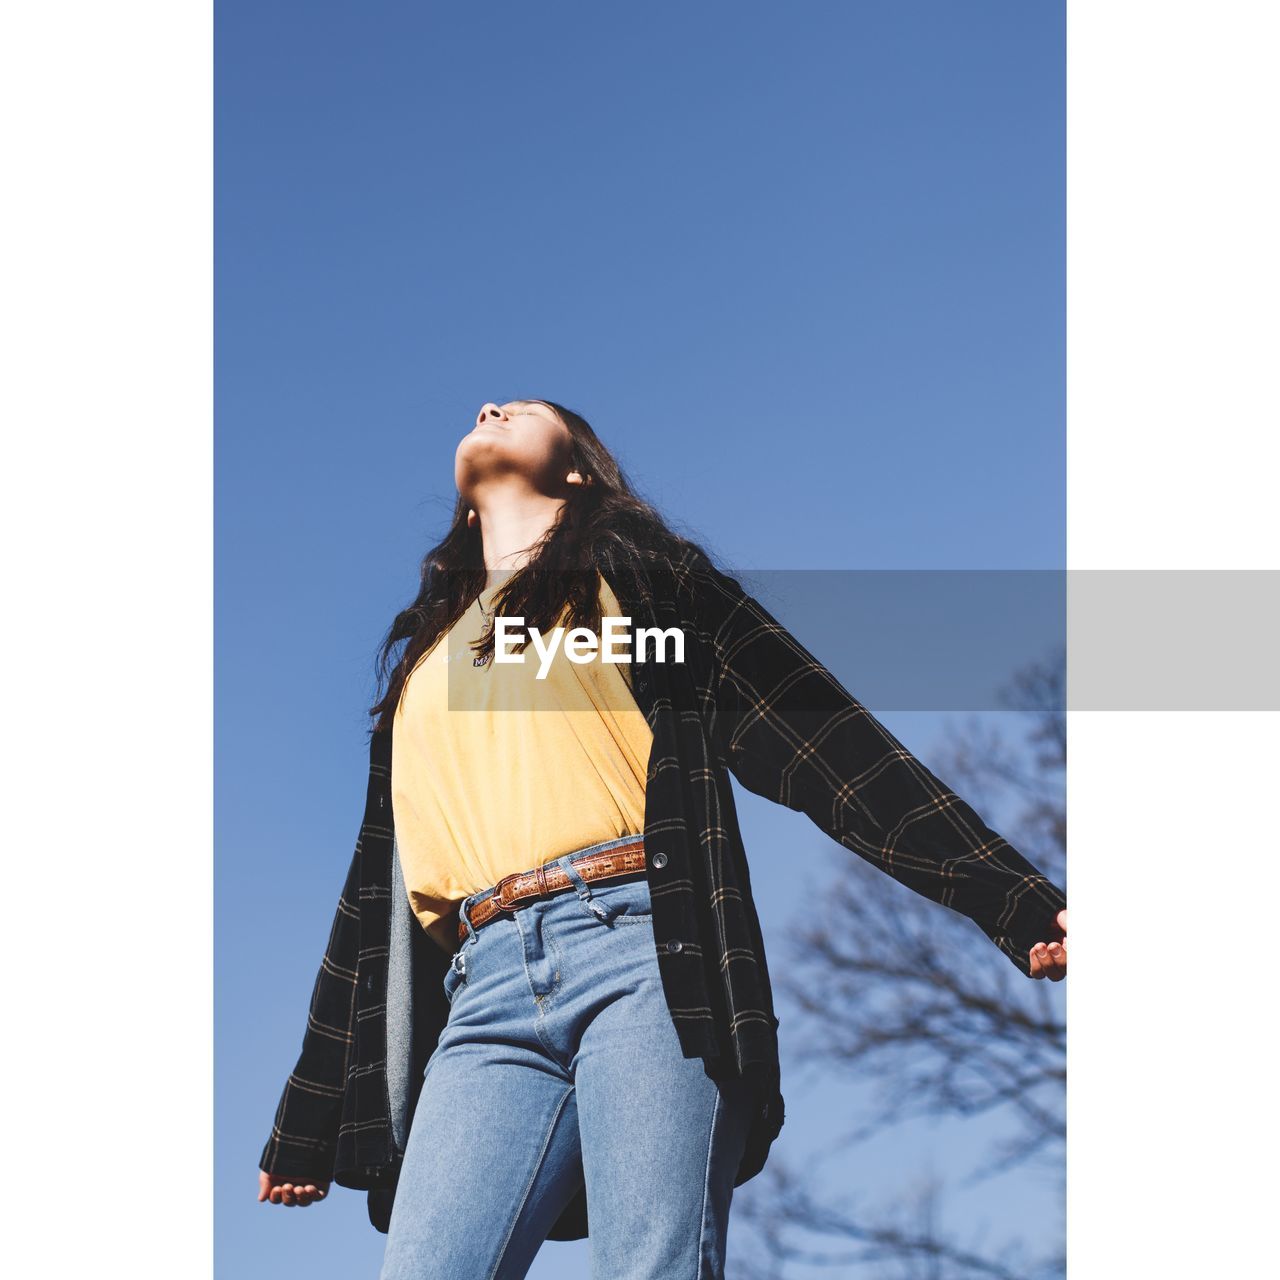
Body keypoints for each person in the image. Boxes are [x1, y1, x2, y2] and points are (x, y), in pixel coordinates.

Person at [257, 399, 1069, 1279]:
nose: (490, 408)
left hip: (644, 953)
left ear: (577, 469)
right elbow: (370, 895)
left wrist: (1008, 896)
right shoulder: (428, 662)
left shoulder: (634, 589)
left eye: (524, 410)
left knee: (654, 1266)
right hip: (479, 996)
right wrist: (306, 1118)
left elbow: (818, 737)